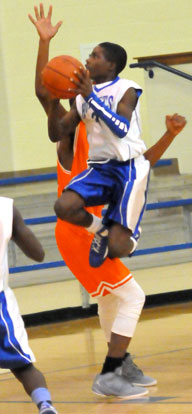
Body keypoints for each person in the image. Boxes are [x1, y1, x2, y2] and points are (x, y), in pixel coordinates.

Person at [29, 3, 186, 399]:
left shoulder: (110, 140)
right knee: (133, 296)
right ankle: (111, 372)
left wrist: (169, 137)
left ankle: (122, 360)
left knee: (109, 299)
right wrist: (44, 44)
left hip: (93, 228)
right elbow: (45, 93)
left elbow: (141, 163)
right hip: (77, 233)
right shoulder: (71, 139)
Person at [0, 196, 58, 414]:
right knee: (22, 365)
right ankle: (45, 406)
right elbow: (38, 253)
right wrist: (14, 229)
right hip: (1, 304)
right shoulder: (6, 207)